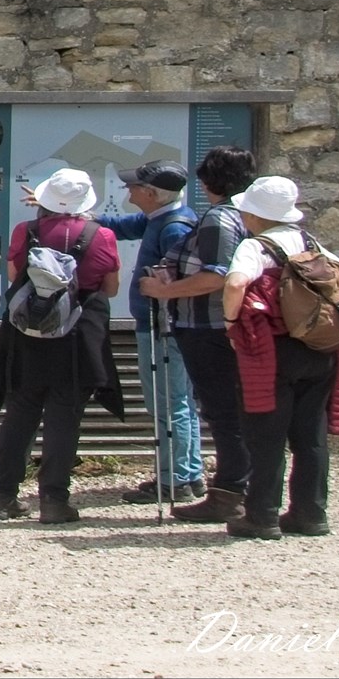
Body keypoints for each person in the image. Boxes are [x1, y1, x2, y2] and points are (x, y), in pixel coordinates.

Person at [220, 174, 339, 540]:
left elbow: (236, 283)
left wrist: (230, 323)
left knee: (266, 435)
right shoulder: (310, 243)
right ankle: (310, 513)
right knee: (311, 435)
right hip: (318, 347)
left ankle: (262, 516)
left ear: (255, 215)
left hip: (272, 351)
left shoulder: (255, 247)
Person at [0, 166, 122, 524]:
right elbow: (110, 288)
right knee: (64, 418)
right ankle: (54, 501)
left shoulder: (25, 231)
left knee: (20, 413)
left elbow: (14, 276)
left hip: (27, 333)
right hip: (77, 338)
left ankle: (2, 497)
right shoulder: (102, 236)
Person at [138, 144, 255, 523]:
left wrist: (165, 291)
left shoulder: (219, 219)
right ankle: (242, 490)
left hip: (208, 327)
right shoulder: (250, 215)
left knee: (223, 414)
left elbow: (217, 276)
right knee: (232, 411)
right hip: (230, 327)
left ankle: (229, 493)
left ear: (208, 182)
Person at [98, 161, 202, 504]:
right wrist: (71, 213)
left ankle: (175, 480)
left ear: (152, 194)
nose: (128, 189)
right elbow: (121, 226)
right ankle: (189, 473)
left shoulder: (173, 228)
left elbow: (181, 283)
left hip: (164, 327)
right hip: (162, 325)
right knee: (178, 400)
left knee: (169, 403)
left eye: (135, 186)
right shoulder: (162, 218)